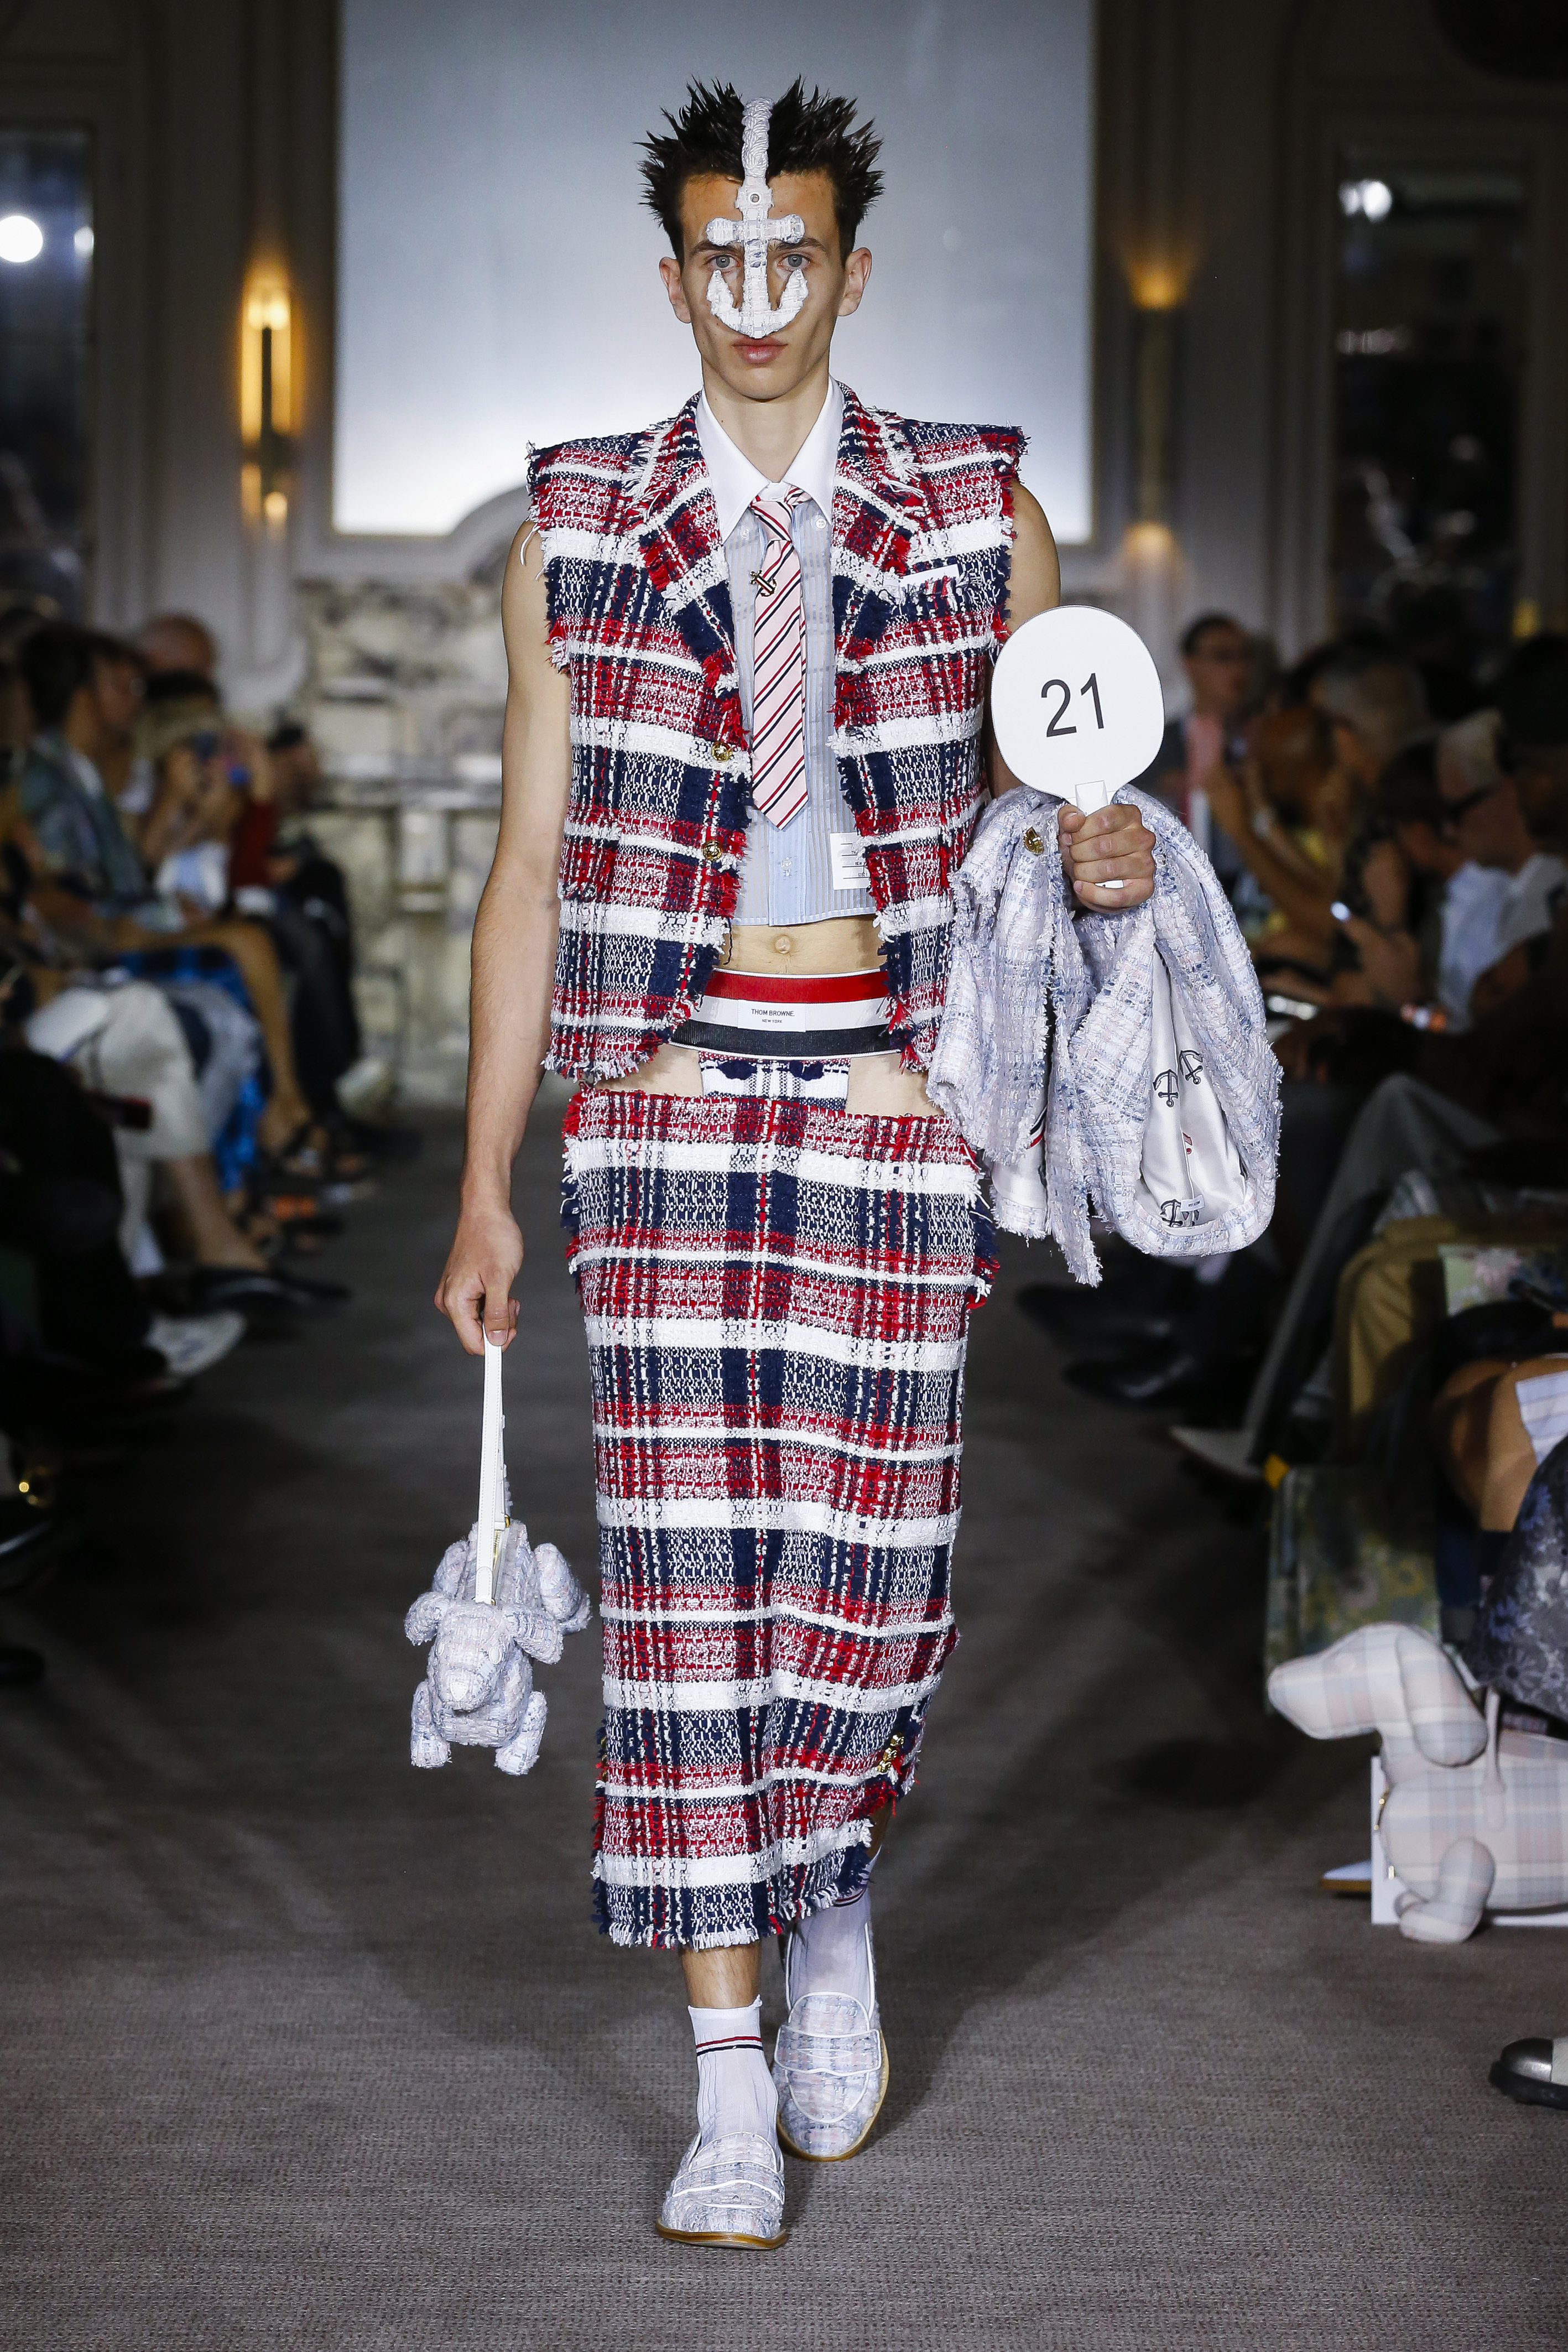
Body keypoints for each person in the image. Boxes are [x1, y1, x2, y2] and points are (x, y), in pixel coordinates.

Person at [435, 79, 1154, 2250]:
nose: (758, 294)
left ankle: (828, 1888)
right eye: (719, 259)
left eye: (795, 255)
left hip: (891, 1106)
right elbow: (532, 865)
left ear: (848, 269)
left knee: (866, 1579)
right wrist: (484, 1174)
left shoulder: (977, 514)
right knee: (686, 1600)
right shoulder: (575, 526)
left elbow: (1037, 833)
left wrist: (1101, 864)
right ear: (674, 279)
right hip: (663, 1107)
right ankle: (728, 2070)